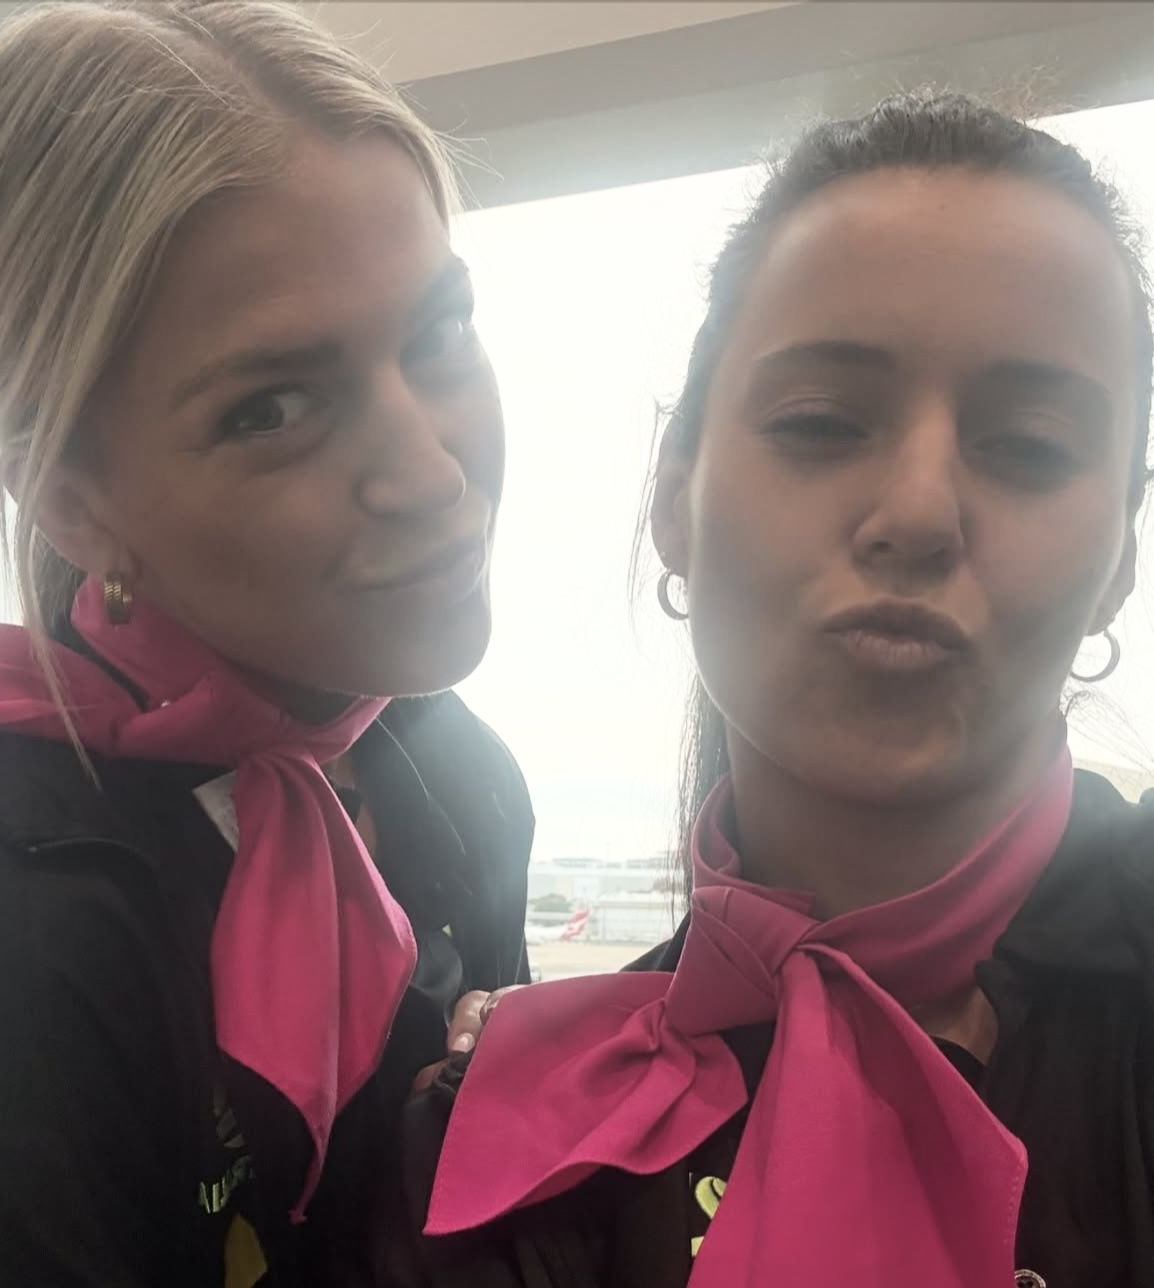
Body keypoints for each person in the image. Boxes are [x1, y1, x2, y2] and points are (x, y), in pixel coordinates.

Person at [368, 92, 1154, 1288]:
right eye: (822, 421)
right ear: (672, 495)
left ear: (1122, 564)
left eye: (1033, 444)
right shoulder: (492, 1150)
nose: (917, 513)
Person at [0, 3, 533, 1286]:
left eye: (438, 333)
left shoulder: (454, 773)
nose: (431, 472)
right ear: (76, 504)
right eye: (271, 408)